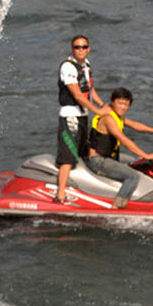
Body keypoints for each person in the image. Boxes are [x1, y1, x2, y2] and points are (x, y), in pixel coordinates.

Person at [86, 86, 153, 209]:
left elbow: (135, 125)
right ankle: (117, 206)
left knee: (136, 162)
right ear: (112, 102)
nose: (123, 107)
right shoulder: (108, 118)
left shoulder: (118, 116)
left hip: (109, 156)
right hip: (98, 160)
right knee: (133, 176)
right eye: (120, 103)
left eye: (126, 105)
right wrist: (146, 155)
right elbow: (123, 139)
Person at [55, 35, 107, 204]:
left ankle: (83, 189)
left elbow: (90, 88)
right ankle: (60, 195)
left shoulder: (86, 64)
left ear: (88, 48)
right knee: (68, 156)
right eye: (77, 47)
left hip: (83, 116)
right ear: (72, 49)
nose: (81, 50)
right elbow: (77, 94)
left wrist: (103, 106)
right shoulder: (68, 67)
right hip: (70, 116)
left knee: (84, 153)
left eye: (84, 47)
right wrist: (97, 110)